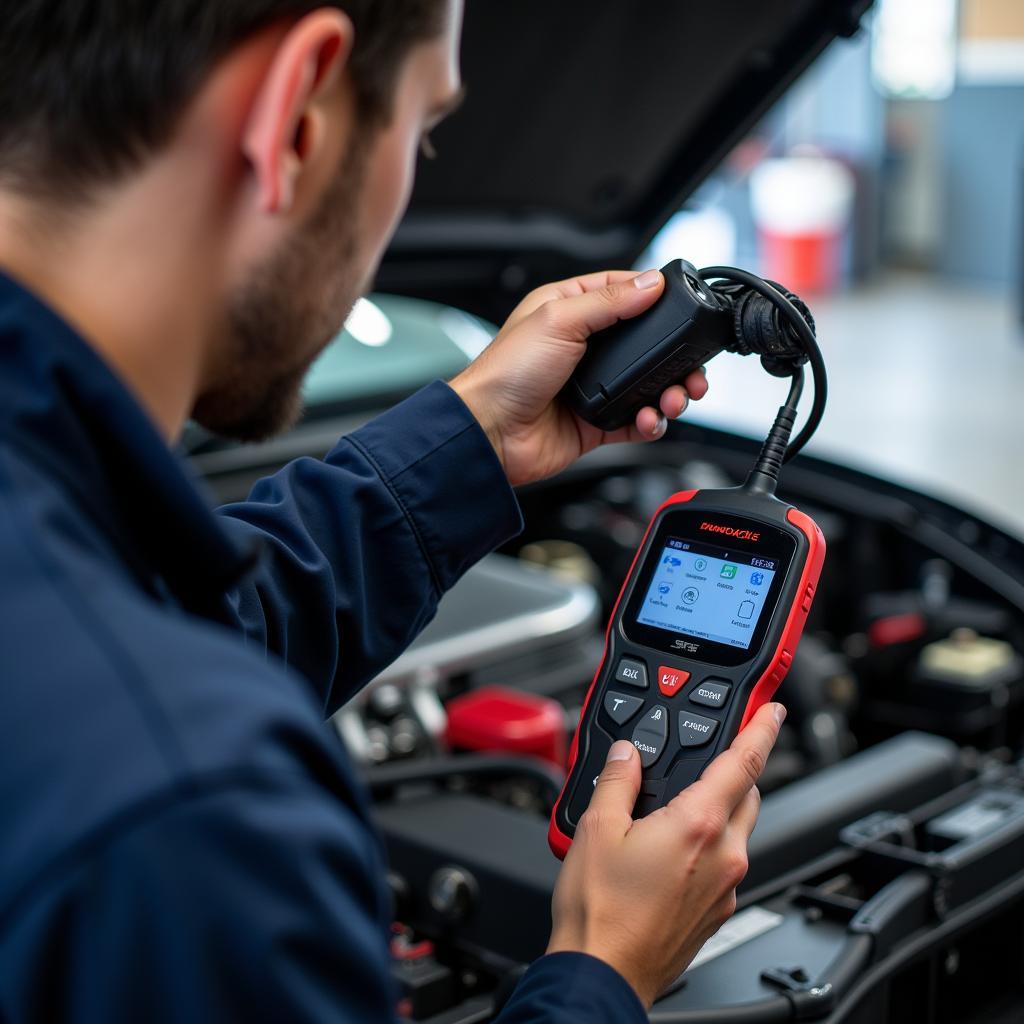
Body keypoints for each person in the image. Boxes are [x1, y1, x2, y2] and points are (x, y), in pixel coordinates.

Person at [0, 2, 784, 1020]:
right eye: (424, 129)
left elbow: (144, 623)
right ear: (297, 115)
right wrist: (600, 967)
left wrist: (466, 447)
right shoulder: (188, 823)